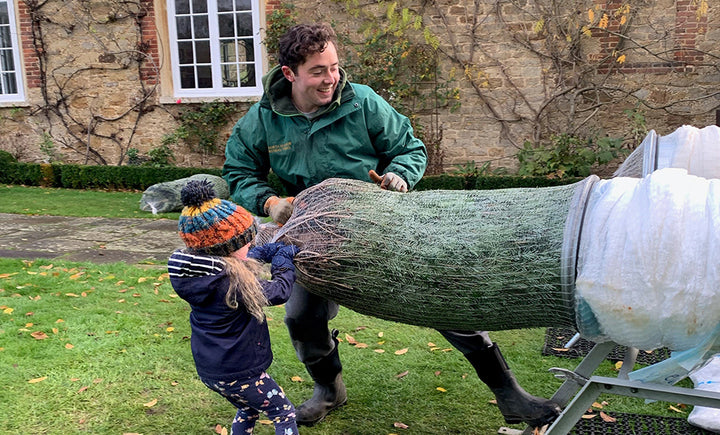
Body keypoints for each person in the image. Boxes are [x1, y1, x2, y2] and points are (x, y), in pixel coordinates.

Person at [222, 23, 561, 428]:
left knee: (442, 297)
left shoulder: (362, 102)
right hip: (310, 235)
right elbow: (238, 172)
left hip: (383, 225)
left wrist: (399, 174)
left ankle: (511, 395)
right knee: (301, 317)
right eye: (318, 70)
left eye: (334, 67)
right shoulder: (263, 119)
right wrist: (270, 201)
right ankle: (328, 391)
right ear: (290, 73)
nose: (331, 78)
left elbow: (409, 148)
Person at [168, 179, 300, 435]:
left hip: (213, 371)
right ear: (227, 249)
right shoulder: (233, 285)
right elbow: (279, 291)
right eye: (246, 242)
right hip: (239, 372)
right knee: (283, 412)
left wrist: (265, 251)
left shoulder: (201, 274)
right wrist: (284, 261)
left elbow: (242, 260)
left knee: (249, 409)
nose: (251, 245)